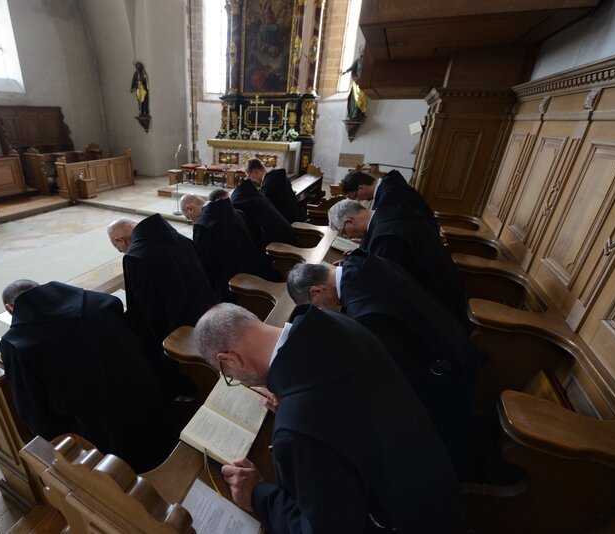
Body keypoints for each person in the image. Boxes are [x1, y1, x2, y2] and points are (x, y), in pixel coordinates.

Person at [193, 303, 464, 533]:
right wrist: (290, 397)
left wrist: (258, 495)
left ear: (229, 359)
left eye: (228, 375)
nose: (235, 380)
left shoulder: (296, 429)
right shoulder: (334, 324)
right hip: (433, 481)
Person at [286, 252, 477, 464]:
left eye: (317, 306)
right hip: (453, 339)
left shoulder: (365, 310)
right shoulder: (362, 265)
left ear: (317, 290)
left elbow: (398, 370)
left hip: (445, 377)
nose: (323, 311)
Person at [0, 280, 174, 472]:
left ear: (10, 308)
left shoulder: (15, 343)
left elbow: (34, 412)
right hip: (149, 403)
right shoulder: (98, 302)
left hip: (99, 443)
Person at [107, 215, 215, 398]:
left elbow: (147, 313)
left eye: (119, 249)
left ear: (120, 240)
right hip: (206, 318)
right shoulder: (181, 239)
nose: (123, 252)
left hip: (177, 338)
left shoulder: (136, 256)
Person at [328, 199, 467, 324]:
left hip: (437, 300)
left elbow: (379, 281)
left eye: (344, 232)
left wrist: (349, 271)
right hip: (444, 279)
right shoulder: (386, 211)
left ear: (349, 221)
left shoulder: (386, 238)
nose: (348, 237)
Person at [183, 195, 265, 303]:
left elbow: (206, 267)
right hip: (254, 276)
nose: (192, 221)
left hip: (231, 290)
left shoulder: (203, 227)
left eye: (189, 218)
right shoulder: (236, 212)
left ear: (190, 209)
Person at [231, 158, 296, 260]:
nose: (251, 181)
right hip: (292, 218)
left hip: (285, 229)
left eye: (249, 176)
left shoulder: (268, 186)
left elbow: (267, 211)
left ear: (256, 171)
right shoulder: (279, 177)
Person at [341, 168, 437, 228]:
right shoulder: (387, 184)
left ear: (361, 188)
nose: (360, 200)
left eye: (356, 197)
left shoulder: (389, 196)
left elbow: (391, 228)